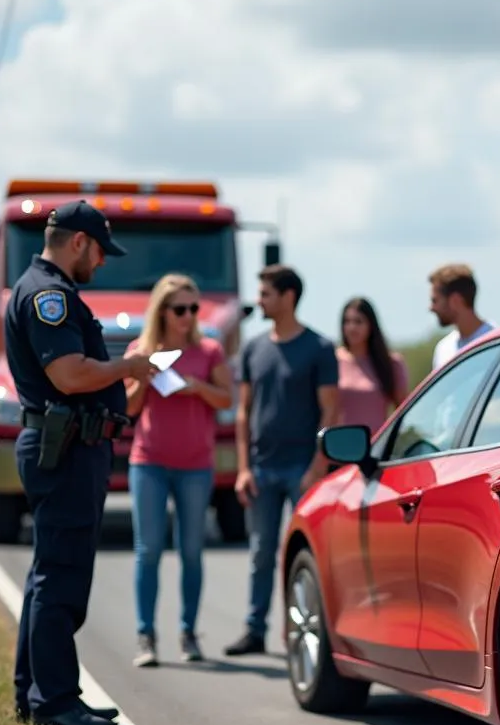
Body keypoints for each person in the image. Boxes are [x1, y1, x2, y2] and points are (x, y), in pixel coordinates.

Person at [5, 200, 156, 725]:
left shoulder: (44, 288)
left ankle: (37, 694)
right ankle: (55, 701)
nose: (104, 262)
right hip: (66, 447)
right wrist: (130, 366)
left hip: (65, 444)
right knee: (61, 577)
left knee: (49, 573)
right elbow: (69, 375)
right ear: (77, 243)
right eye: (100, 251)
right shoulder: (50, 295)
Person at [225, 264, 339, 656]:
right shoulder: (254, 349)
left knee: (307, 554)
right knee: (260, 553)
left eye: (265, 294)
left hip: (302, 471)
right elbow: (243, 412)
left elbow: (330, 411)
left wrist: (317, 466)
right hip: (261, 468)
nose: (258, 301)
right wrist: (242, 468)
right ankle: (255, 629)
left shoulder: (320, 349)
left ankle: (306, 630)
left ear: (288, 297)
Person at [123, 273, 234, 668]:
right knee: (148, 550)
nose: (188, 316)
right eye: (180, 309)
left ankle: (188, 633)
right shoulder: (142, 350)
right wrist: (143, 379)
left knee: (191, 550)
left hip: (195, 465)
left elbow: (226, 399)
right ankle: (145, 636)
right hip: (149, 461)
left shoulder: (209, 351)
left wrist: (196, 387)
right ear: (163, 311)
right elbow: (129, 409)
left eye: (193, 308)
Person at [336, 296, 410, 433]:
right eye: (347, 322)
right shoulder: (332, 361)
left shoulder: (391, 363)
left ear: (371, 325)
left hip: (377, 448)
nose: (352, 327)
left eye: (358, 322)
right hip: (340, 447)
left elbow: (404, 412)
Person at [428, 263, 495, 371]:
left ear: (455, 300)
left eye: (435, 301)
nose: (431, 308)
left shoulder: (496, 342)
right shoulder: (443, 348)